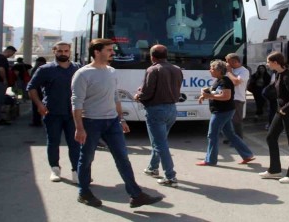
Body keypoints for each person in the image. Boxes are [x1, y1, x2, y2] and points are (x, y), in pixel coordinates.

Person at [71, 38, 162, 208]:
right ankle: (83, 193)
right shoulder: (83, 74)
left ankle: (136, 195)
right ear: (96, 52)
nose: (113, 53)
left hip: (112, 122)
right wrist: (79, 128)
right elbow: (77, 102)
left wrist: (121, 119)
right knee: (87, 158)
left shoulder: (112, 71)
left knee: (123, 158)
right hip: (91, 122)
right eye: (108, 50)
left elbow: (115, 96)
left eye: (112, 49)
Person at [28, 42, 81, 183]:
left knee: (75, 143)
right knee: (53, 142)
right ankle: (55, 169)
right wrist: (39, 104)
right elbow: (32, 88)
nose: (63, 53)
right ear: (54, 51)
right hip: (52, 112)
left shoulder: (77, 69)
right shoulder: (45, 69)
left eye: (66, 51)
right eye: (60, 51)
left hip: (73, 113)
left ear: (70, 52)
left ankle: (76, 171)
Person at [134, 44, 183, 188]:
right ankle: (152, 168)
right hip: (172, 109)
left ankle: (170, 176)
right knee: (160, 141)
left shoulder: (153, 69)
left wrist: (138, 95)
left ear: (152, 56)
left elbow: (147, 92)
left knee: (160, 144)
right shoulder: (176, 69)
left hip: (156, 110)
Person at [196, 60, 255, 166]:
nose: (210, 70)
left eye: (212, 69)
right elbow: (216, 92)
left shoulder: (225, 81)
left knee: (212, 135)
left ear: (219, 70)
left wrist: (209, 96)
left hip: (222, 112)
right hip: (223, 111)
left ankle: (210, 160)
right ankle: (247, 155)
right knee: (230, 134)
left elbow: (226, 96)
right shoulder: (219, 80)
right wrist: (206, 93)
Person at [260, 52, 289, 183]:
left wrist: (284, 109)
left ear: (275, 62)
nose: (267, 64)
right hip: (282, 111)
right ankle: (274, 170)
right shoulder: (279, 74)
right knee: (271, 137)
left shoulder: (288, 77)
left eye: (268, 62)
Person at [0, 46, 17, 125]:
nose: (11, 55)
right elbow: (1, 69)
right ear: (9, 51)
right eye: (12, 53)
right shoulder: (2, 58)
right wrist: (4, 79)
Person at [224, 53, 250, 139]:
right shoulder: (231, 70)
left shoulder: (244, 71)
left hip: (237, 99)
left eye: (228, 62)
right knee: (227, 120)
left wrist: (229, 72)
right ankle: (230, 138)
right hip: (228, 98)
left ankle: (239, 139)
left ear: (234, 61)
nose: (226, 63)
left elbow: (236, 82)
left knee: (236, 121)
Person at [28, 56, 47, 127]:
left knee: (36, 106)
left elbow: (31, 83)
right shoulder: (46, 69)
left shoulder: (35, 69)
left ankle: (36, 121)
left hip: (36, 91)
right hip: (43, 91)